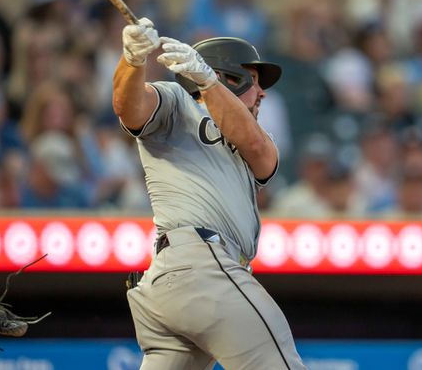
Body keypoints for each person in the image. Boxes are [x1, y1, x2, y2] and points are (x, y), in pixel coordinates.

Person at [114, 18, 305, 368]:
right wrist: (132, 61)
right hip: (200, 264)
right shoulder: (177, 103)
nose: (262, 93)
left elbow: (259, 153)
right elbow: (130, 108)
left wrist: (208, 81)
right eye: (255, 83)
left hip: (182, 280)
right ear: (231, 77)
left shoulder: (256, 136)